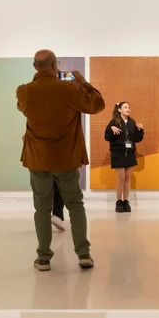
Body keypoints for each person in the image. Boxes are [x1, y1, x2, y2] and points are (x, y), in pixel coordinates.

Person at [17, 49, 105, 272]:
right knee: (75, 205)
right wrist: (82, 81)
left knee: (42, 208)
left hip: (38, 160)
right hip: (66, 159)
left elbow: (24, 107)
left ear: (35, 67)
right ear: (55, 65)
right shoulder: (70, 89)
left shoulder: (25, 91)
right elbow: (98, 104)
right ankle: (83, 254)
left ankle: (43, 258)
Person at [105, 101, 144, 212]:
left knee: (127, 177)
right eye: (125, 107)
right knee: (121, 177)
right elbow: (107, 137)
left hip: (130, 153)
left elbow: (136, 139)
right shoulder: (113, 122)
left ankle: (126, 201)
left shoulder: (132, 122)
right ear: (119, 110)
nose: (128, 109)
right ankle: (118, 201)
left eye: (128, 107)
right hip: (118, 153)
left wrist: (141, 130)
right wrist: (111, 130)